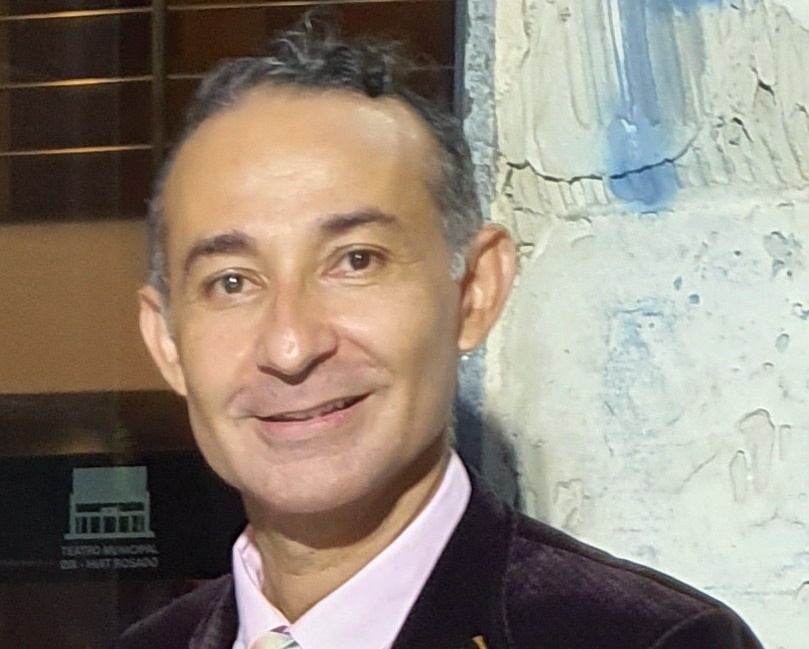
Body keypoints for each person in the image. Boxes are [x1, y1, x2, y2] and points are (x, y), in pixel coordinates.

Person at [119, 15, 763, 649]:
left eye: (356, 261)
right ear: (167, 342)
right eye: (232, 282)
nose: (290, 346)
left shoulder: (648, 640)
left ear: (474, 291)